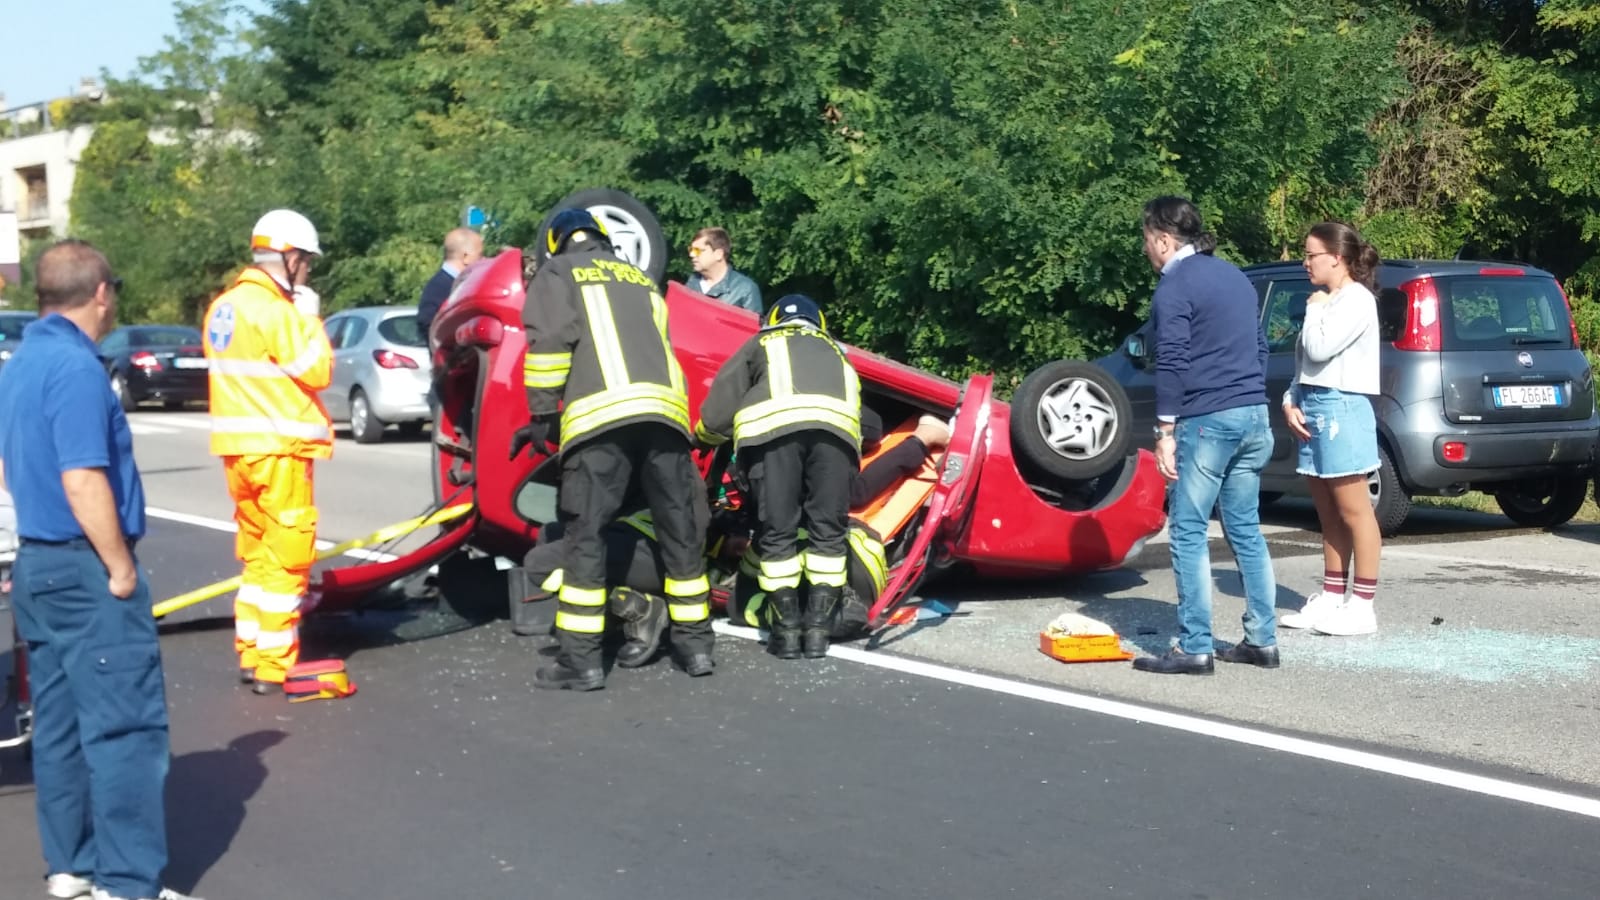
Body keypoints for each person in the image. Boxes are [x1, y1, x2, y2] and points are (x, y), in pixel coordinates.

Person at [0, 240, 198, 900]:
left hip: (37, 561)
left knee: (56, 725)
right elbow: (84, 479)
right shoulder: (78, 370)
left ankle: (70, 866)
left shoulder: (20, 362)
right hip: (85, 569)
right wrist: (118, 567)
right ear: (102, 293)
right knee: (124, 730)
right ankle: (128, 882)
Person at [516, 208, 714, 690]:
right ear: (604, 238)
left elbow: (548, 345)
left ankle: (580, 661)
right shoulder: (644, 279)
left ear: (558, 244)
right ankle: (696, 648)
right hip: (666, 420)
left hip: (601, 422)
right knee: (680, 535)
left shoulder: (558, 271)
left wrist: (542, 414)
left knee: (588, 537)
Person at [1133, 196, 1280, 676]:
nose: (1146, 252)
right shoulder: (1235, 276)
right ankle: (1262, 640)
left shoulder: (1175, 287)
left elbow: (1172, 358)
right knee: (1245, 529)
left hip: (1207, 417)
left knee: (1189, 529)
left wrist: (1166, 429)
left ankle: (1195, 645)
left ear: (1163, 239)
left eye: (1146, 242)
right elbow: (1259, 344)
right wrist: (1249, 392)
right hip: (1253, 414)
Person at [202, 209, 335, 696]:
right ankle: (274, 666)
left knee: (258, 555)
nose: (308, 273)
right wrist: (308, 316)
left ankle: (252, 652)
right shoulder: (277, 310)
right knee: (288, 554)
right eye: (307, 263)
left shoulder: (223, 307)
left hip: (238, 452)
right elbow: (317, 370)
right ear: (291, 256)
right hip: (278, 449)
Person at [696, 294, 862, 659]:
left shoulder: (762, 341)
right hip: (836, 440)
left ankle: (786, 634)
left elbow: (721, 405)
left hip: (773, 437)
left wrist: (703, 436)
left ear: (771, 320)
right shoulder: (838, 352)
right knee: (828, 532)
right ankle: (819, 633)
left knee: (778, 529)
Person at [1279, 222, 1383, 636]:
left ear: (1336, 258)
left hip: (1342, 407)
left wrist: (1315, 307)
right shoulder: (1325, 301)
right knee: (1327, 512)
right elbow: (1305, 363)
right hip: (1312, 403)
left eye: (1311, 255)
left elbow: (1322, 349)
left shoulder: (1355, 300)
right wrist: (1289, 401)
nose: (1305, 263)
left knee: (1354, 510)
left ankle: (1362, 606)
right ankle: (1332, 596)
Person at [416, 226, 485, 337]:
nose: (483, 260)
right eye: (480, 255)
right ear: (465, 257)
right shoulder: (438, 288)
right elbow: (427, 324)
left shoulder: (458, 284)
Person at [685, 227, 763, 313]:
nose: (692, 255)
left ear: (718, 254)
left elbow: (751, 326)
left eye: (697, 250)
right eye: (691, 250)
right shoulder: (690, 284)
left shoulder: (745, 289)